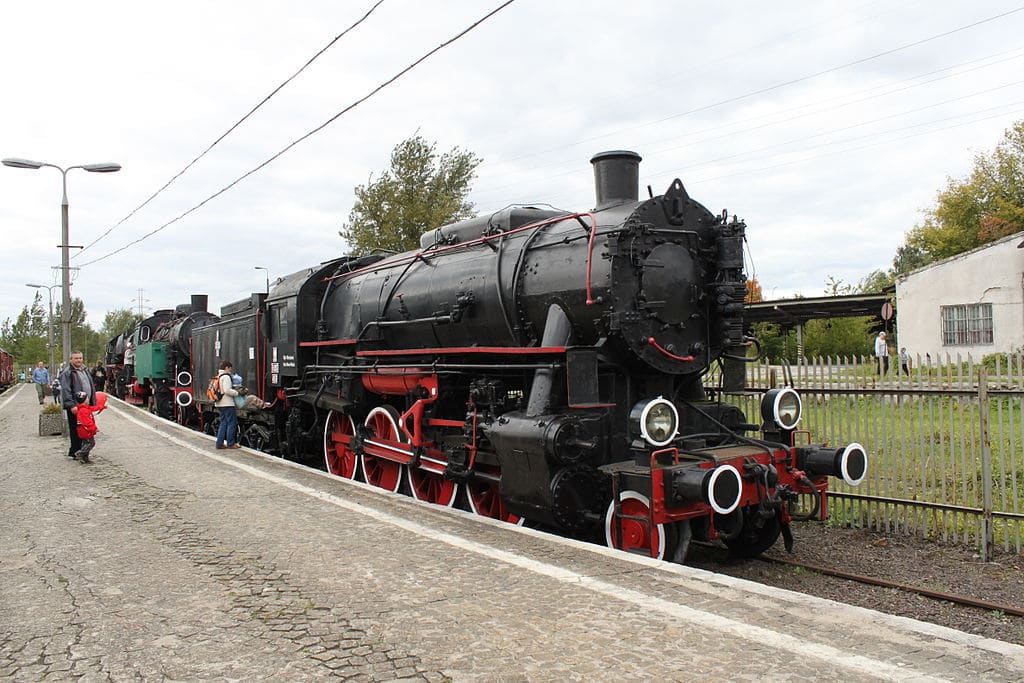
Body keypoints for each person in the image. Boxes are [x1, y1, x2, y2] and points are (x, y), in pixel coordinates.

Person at [59, 351, 96, 460]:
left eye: (80, 358)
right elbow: (66, 390)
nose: (79, 360)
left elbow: (90, 385)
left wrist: (93, 402)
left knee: (85, 429)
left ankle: (82, 452)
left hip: (85, 406)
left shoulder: (85, 370)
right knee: (76, 430)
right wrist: (71, 405)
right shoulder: (68, 372)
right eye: (76, 358)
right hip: (76, 406)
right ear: (71, 359)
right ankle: (76, 452)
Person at [72, 390, 107, 463]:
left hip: (84, 430)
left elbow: (94, 408)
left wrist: (102, 407)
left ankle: (85, 458)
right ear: (84, 400)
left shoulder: (85, 408)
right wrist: (94, 429)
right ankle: (80, 453)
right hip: (85, 431)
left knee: (86, 443)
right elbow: (87, 423)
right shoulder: (83, 410)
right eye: (87, 398)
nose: (88, 399)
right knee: (90, 443)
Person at [214, 360, 241, 449]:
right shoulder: (226, 377)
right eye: (230, 368)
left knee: (223, 423)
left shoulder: (218, 376)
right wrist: (237, 393)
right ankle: (230, 443)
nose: (230, 370)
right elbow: (227, 390)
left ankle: (219, 443)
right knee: (232, 423)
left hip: (219, 403)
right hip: (227, 403)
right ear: (226, 368)